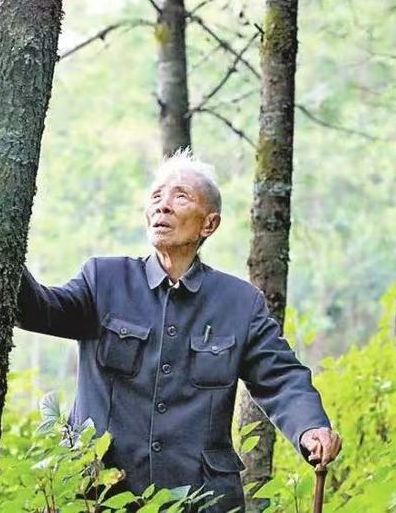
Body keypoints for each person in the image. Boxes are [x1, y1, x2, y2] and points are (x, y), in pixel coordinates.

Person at [18, 149, 342, 511]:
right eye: (156, 196)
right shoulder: (103, 280)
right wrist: (4, 242)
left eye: (180, 196)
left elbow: (281, 378)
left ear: (209, 224)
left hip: (202, 499)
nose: (163, 206)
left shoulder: (239, 303)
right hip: (102, 495)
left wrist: (310, 427)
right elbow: (39, 310)